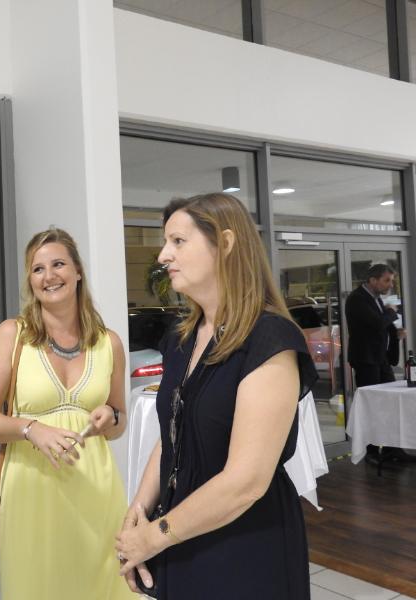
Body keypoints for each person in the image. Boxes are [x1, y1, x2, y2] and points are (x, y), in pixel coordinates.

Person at [116, 193, 317, 599]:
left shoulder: (269, 340)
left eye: (178, 241)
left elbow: (246, 482)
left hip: (243, 543)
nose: (163, 255)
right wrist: (138, 513)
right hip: (181, 531)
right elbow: (172, 435)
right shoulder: (182, 337)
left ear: (225, 243)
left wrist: (154, 537)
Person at [0, 228, 133, 600]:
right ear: (30, 280)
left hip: (96, 490)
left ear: (77, 271)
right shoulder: (12, 335)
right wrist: (31, 429)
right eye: (37, 269)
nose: (49, 276)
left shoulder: (109, 343)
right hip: (31, 491)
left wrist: (110, 416)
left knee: (102, 587)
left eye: (58, 264)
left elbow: (119, 421)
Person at [345, 263, 409, 462]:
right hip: (366, 360)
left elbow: (380, 328)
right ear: (373, 280)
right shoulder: (357, 299)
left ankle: (392, 448)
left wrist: (395, 335)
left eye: (392, 280)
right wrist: (391, 312)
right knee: (372, 406)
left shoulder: (376, 298)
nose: (390, 285)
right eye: (386, 280)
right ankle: (371, 452)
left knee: (390, 403)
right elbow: (377, 323)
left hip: (380, 359)